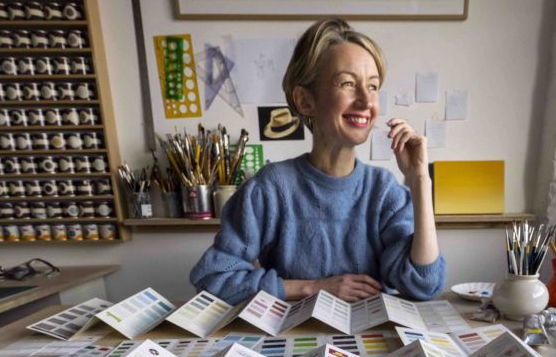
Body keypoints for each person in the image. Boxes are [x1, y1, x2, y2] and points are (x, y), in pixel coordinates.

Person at [190, 18, 445, 304]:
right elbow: (212, 277)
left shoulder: (384, 191)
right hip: (293, 340)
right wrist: (311, 287)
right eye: (347, 83)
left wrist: (419, 180)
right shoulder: (271, 188)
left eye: (372, 87)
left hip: (372, 344)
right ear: (304, 101)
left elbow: (424, 283)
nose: (365, 101)